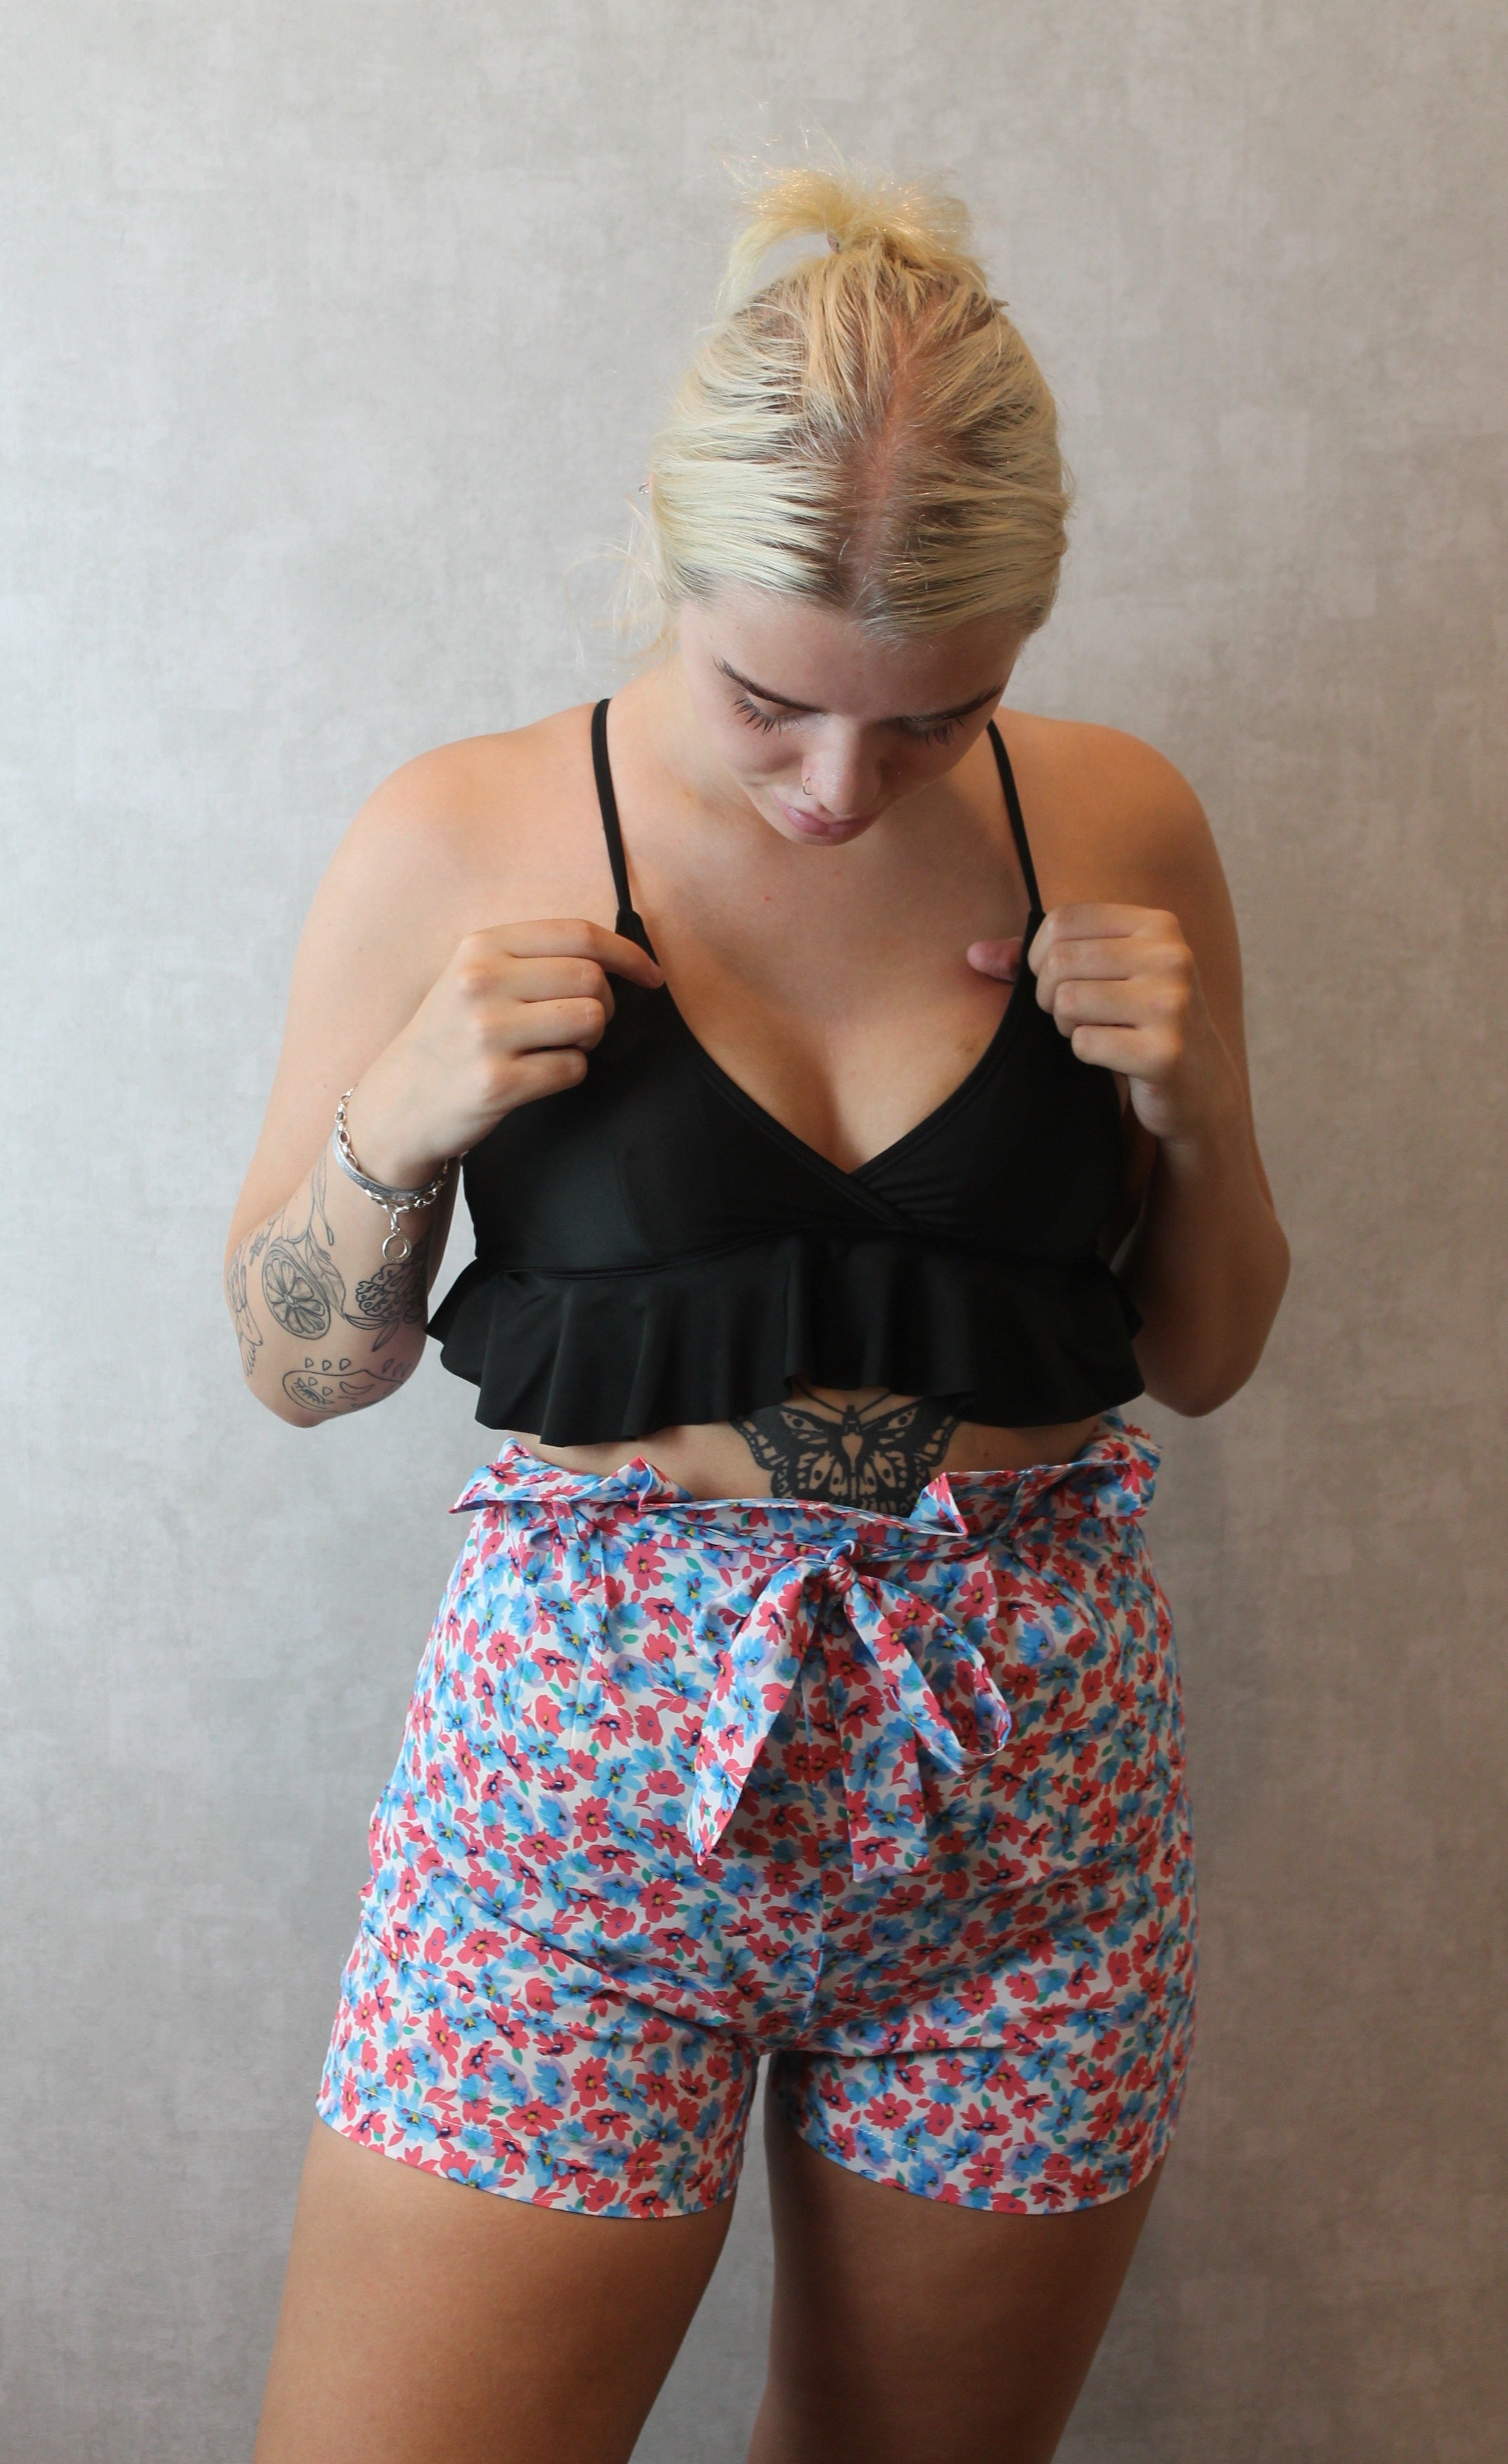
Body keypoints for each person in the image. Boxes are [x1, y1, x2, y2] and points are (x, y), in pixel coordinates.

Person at [229, 164, 1288, 2464]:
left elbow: (1204, 1353)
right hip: (573, 1813)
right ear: (668, 557)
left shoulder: (1120, 820)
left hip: (1027, 1814)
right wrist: (399, 1125)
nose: (838, 785)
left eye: (934, 722)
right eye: (772, 704)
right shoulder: (456, 833)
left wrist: (1196, 1104)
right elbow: (302, 1364)